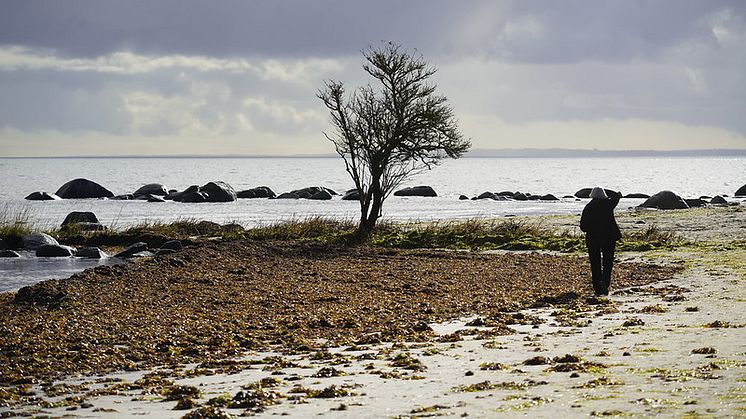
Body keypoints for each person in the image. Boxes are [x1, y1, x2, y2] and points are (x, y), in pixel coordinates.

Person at [579, 187, 622, 296]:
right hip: (609, 237)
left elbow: (583, 226)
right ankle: (605, 283)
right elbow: (617, 195)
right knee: (608, 262)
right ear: (604, 195)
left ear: (592, 195)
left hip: (593, 239)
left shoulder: (588, 207)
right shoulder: (608, 204)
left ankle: (597, 287)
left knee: (595, 263)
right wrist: (606, 191)